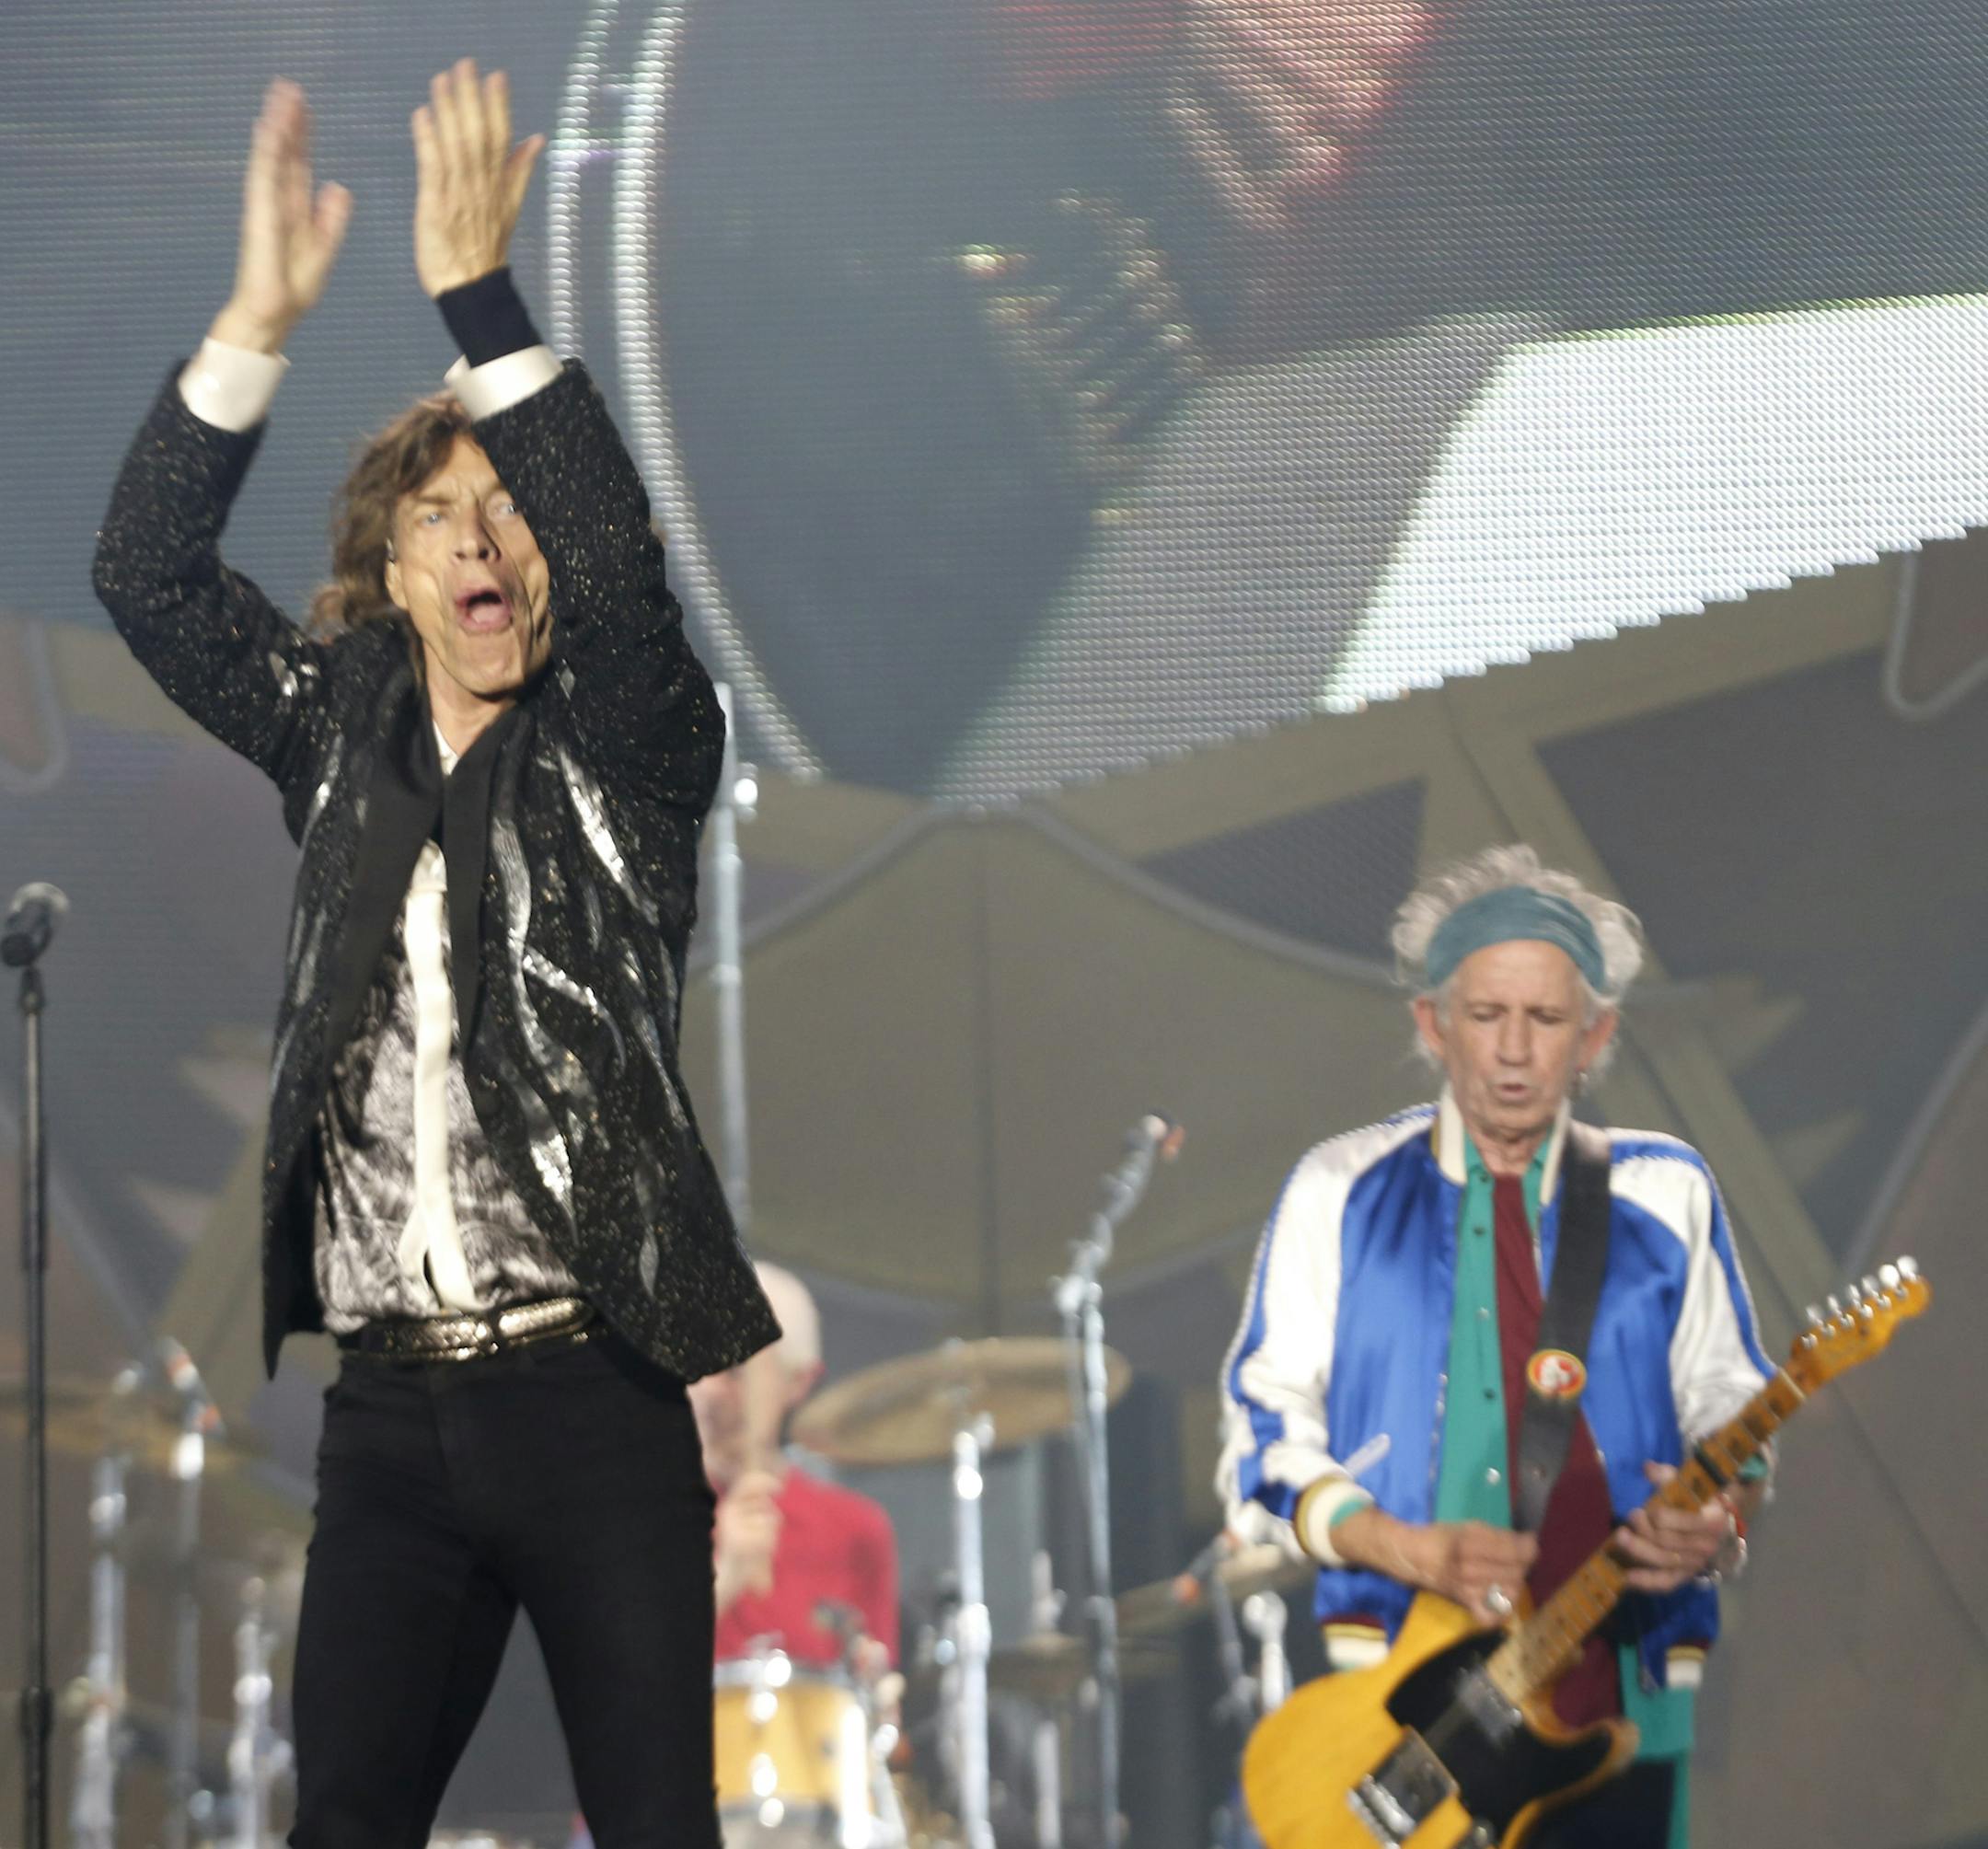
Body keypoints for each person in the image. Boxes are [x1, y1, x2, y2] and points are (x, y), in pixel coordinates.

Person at [91, 62, 779, 1848]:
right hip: (388, 1413)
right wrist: (255, 323)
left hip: (594, 1388)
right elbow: (152, 576)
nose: (479, 540)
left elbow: (624, 573)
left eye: (505, 513)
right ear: (385, 571)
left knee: (654, 1824)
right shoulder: (336, 734)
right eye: (434, 518)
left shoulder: (632, 740)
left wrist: (485, 304)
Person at [1217, 845, 1773, 1849]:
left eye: (1547, 1019)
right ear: (1432, 1023)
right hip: (1407, 1719)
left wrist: (1725, 1518)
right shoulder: (1338, 1190)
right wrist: (1401, 1545)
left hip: (1618, 1710)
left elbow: (1735, 1409)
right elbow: (1258, 1441)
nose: (1514, 1050)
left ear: (1595, 1035)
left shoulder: (1664, 1193)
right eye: (1486, 1016)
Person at [691, 1263, 899, 1671]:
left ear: (799, 1383)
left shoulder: (855, 1531)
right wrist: (724, 1576)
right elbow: (614, 1676)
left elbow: (874, 1711)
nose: (708, 1388)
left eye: (734, 1372)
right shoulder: (638, 1509)